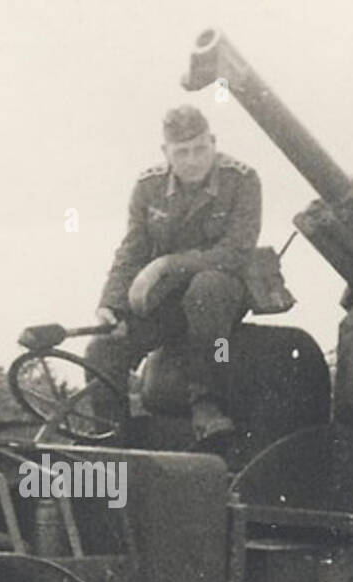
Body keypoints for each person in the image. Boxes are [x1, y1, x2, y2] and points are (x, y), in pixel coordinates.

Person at [87, 105, 261, 442]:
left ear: (213, 142)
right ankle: (112, 442)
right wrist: (110, 304)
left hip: (221, 296)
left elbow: (236, 252)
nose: (193, 160)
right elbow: (132, 250)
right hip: (164, 301)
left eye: (200, 149)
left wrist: (167, 264)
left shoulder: (242, 179)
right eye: (182, 152)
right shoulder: (148, 187)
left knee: (207, 287)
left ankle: (206, 405)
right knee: (101, 349)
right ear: (166, 152)